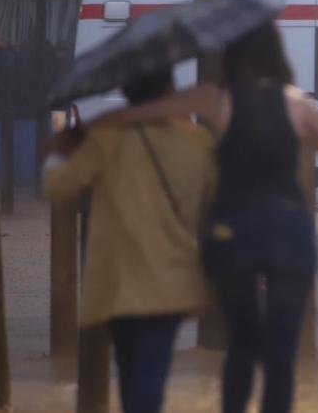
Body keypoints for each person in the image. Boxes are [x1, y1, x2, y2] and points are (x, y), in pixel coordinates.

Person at [95, 23, 318, 413]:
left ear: (232, 56)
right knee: (282, 353)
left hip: (234, 233)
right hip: (288, 233)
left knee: (243, 342)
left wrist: (87, 129)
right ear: (275, 52)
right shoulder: (297, 103)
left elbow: (144, 113)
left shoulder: (213, 100)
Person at [42, 68, 216, 413]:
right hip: (171, 278)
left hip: (117, 283)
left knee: (131, 370)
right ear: (169, 89)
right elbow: (223, 193)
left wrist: (60, 149)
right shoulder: (196, 142)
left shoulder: (107, 138)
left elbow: (57, 186)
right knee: (153, 371)